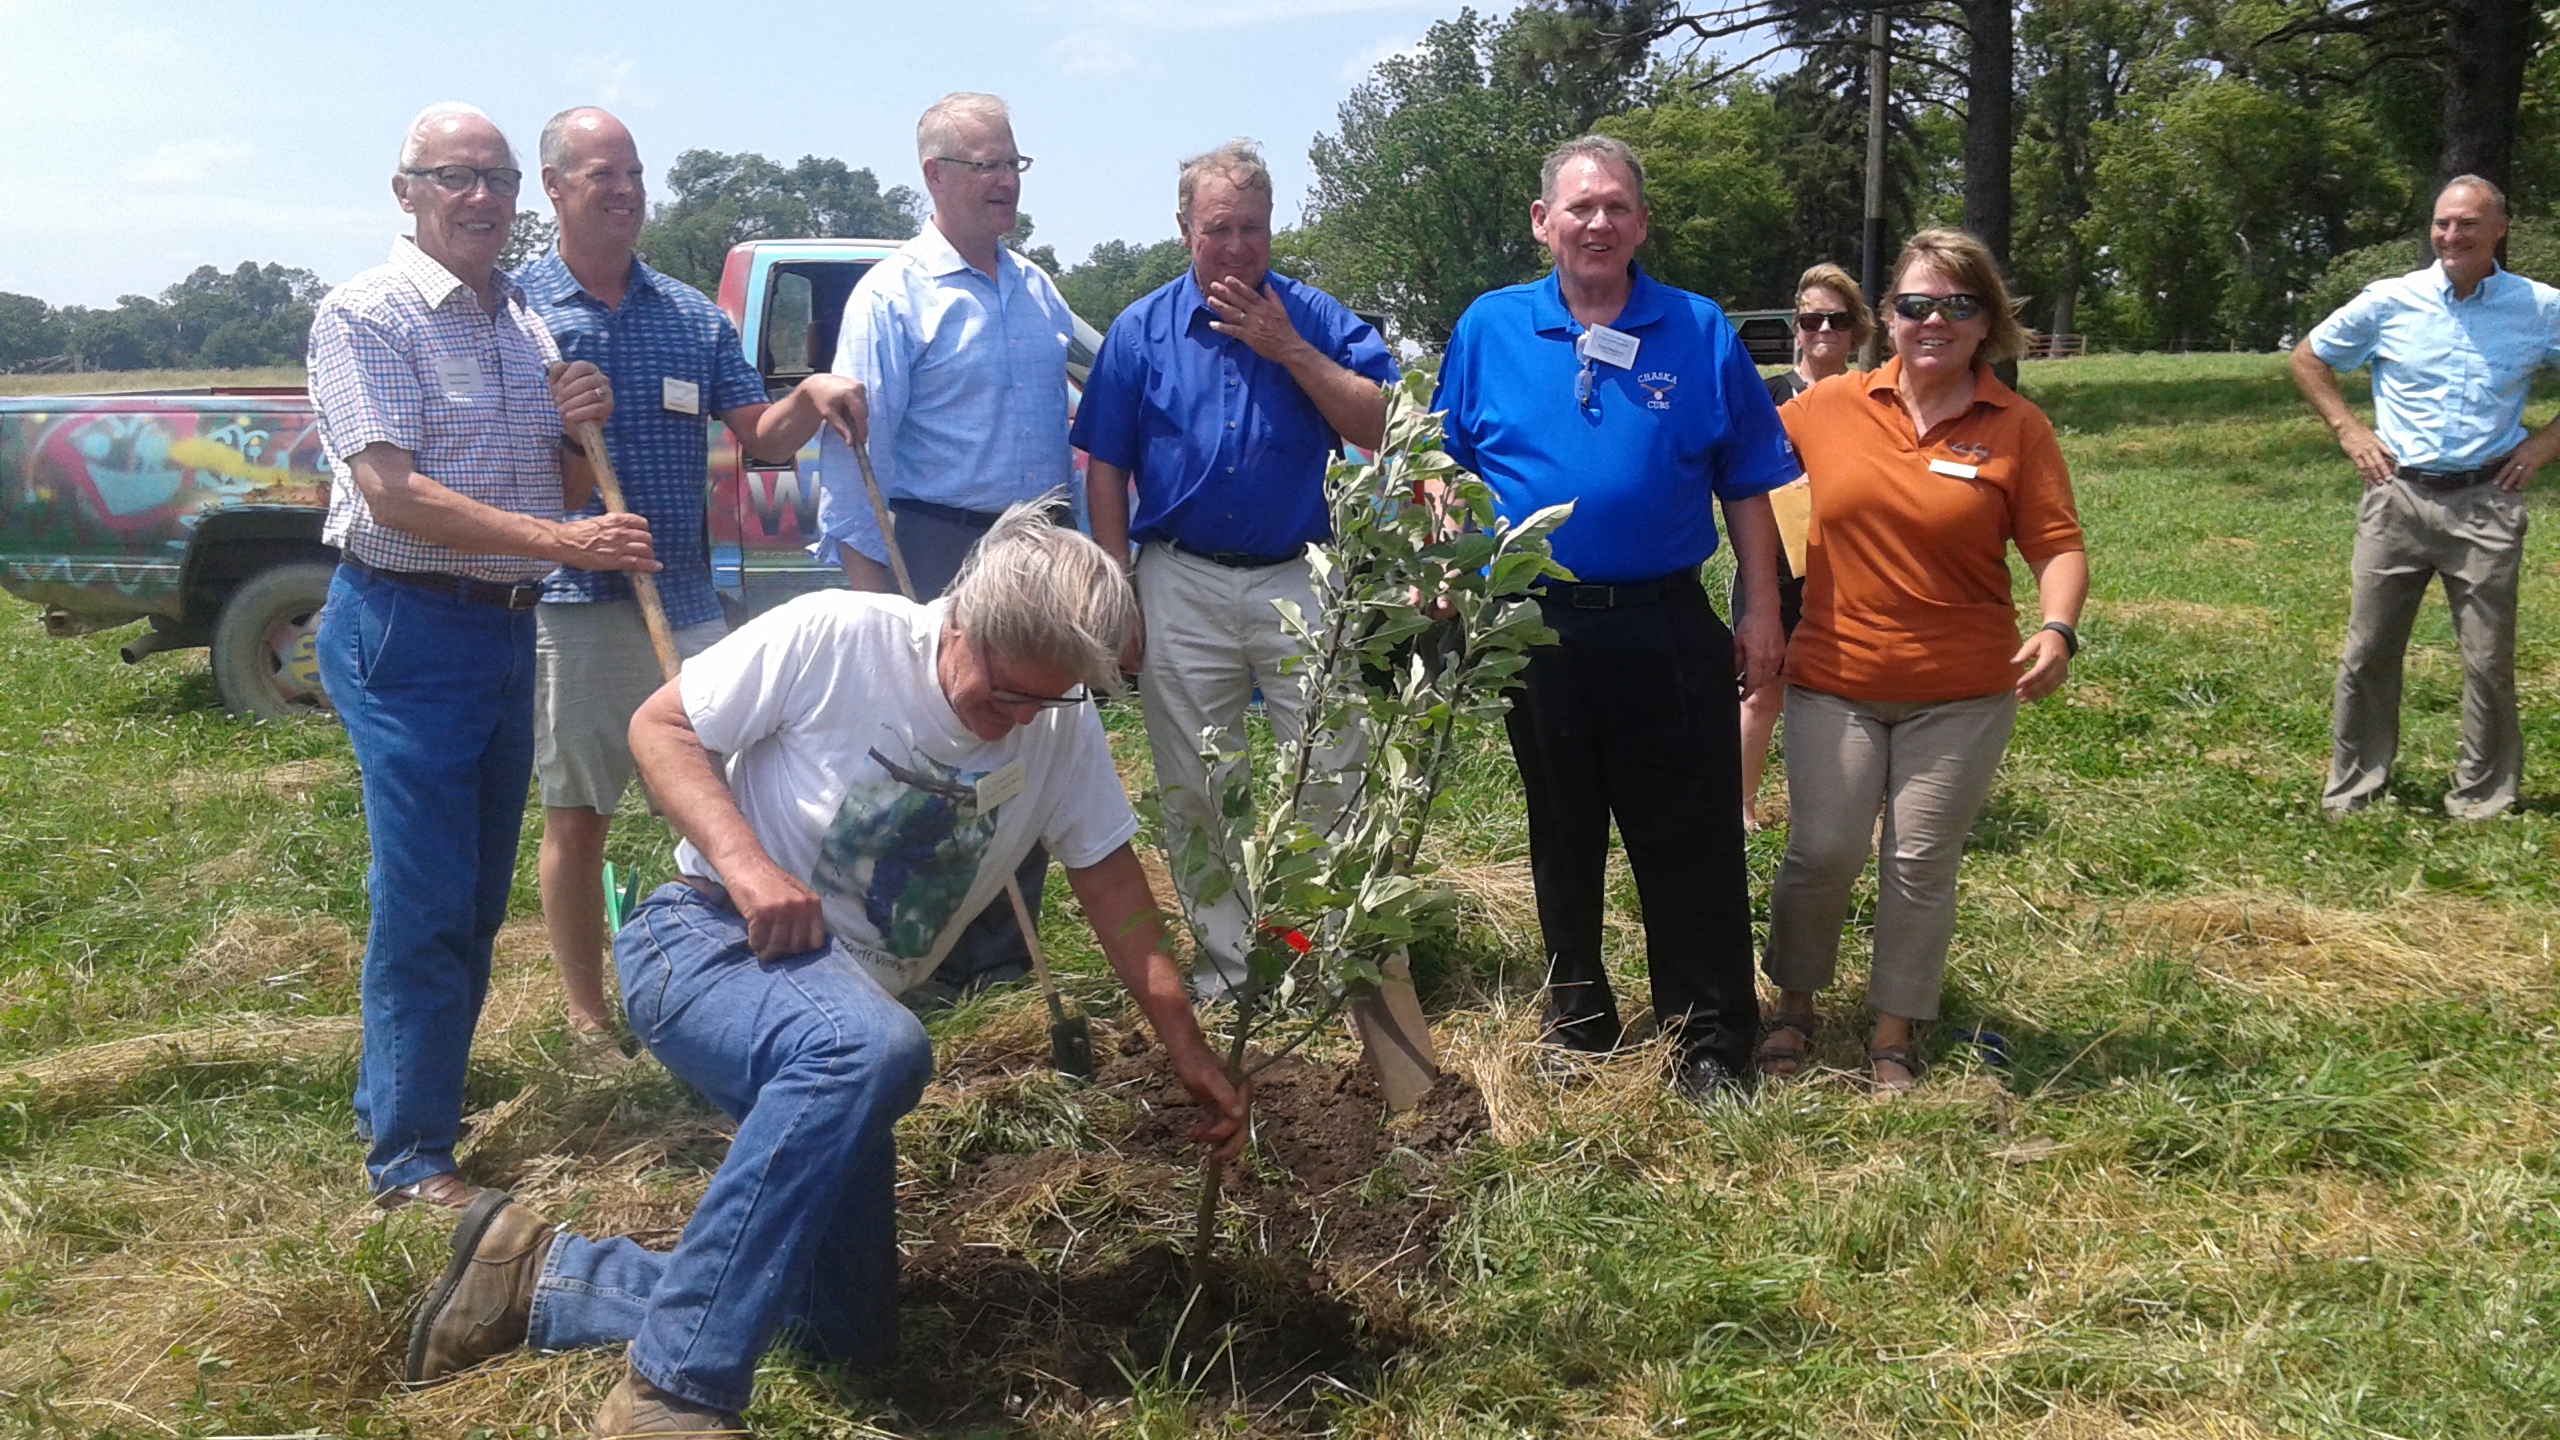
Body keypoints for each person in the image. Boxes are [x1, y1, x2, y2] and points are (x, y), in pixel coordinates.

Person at [400, 506, 1249, 1433]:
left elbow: (1113, 885)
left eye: (1042, 704)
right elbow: (661, 727)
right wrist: (751, 868)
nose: (1013, 724)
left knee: (839, 1330)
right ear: (956, 620)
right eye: (1001, 695)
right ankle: (671, 1393)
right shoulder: (838, 633)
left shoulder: (1054, 721)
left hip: (840, 1024)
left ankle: (539, 1275)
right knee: (879, 1046)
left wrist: (1186, 1044)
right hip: (705, 943)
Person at [308, 103, 655, 1210]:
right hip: (405, 626)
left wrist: (572, 434)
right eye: (456, 177)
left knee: (466, 901)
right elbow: (391, 492)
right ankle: (410, 1164)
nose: (483, 199)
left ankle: (404, 1106)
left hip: (505, 629)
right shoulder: (367, 316)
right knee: (423, 894)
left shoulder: (524, 329)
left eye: (499, 180)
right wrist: (563, 544)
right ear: (405, 191)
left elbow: (546, 488)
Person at [1432, 135, 1796, 1098]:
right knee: (1563, 827)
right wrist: (1446, 548)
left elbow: (1751, 483)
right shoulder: (1490, 329)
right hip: (1535, 627)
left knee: (1692, 832)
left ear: (1641, 223)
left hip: (1665, 620)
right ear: (1543, 222)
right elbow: (1449, 463)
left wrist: (1759, 610)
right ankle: (1578, 1019)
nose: (1599, 223)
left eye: (1618, 208)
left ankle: (1710, 1038)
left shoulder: (1700, 328)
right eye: (1580, 207)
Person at [517, 106, 868, 1065]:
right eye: (600, 175)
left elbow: (759, 436)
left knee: (727, 796)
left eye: (632, 172)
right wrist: (570, 463)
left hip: (689, 605)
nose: (625, 190)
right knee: (580, 812)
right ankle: (590, 1020)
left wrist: (812, 397)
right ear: (554, 187)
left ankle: (734, 975)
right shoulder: (518, 316)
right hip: (580, 604)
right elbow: (505, 483)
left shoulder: (687, 314)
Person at [1756, 229, 2088, 1093]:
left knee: (1918, 861)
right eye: (1914, 304)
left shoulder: (2017, 427)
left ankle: (1894, 1029)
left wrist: (2057, 628)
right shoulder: (1829, 407)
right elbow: (1731, 455)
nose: (1933, 320)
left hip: (1963, 693)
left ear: (1988, 323)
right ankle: (1793, 1005)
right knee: (1822, 849)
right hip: (1833, 680)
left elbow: (2057, 544)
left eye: (1957, 305)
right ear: (1888, 319)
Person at [1072, 138, 1398, 997]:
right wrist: (1117, 592)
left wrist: (1289, 349)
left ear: (1271, 228)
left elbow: (1381, 424)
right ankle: (1227, 968)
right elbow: (1105, 463)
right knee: (1199, 781)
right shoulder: (1140, 332)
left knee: (1330, 768)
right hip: (1178, 578)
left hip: (1300, 575)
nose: (1239, 246)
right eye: (1220, 228)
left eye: (1253, 228)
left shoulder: (1314, 317)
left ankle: (1316, 953)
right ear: (1185, 230)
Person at [813, 91, 1079, 1001]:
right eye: (986, 166)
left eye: (1014, 163)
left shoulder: (1037, 289)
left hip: (1034, 547)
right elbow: (857, 461)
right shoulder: (891, 294)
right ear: (935, 176)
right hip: (936, 546)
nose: (1006, 181)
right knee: (937, 758)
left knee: (1025, 745)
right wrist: (873, 596)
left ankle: (1004, 963)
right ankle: (915, 964)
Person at [2292, 174, 2560, 821]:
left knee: (2489, 660)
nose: (2450, 235)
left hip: (2487, 503)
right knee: (2367, 653)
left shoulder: (2540, 307)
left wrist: (2541, 447)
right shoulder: (2391, 300)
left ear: (2499, 228)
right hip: (2397, 497)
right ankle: (2355, 790)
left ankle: (2483, 797)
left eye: (2467, 223)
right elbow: (2308, 357)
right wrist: (2349, 429)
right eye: (2442, 223)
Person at [1739, 261, 1871, 828]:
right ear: (1795, 326)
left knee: (1848, 697)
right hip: (1774, 568)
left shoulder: (1875, 399)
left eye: (1836, 320)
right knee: (1760, 690)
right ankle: (1739, 805)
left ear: (1856, 329)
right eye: (1811, 318)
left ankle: (1839, 808)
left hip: (1854, 569)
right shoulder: (1765, 396)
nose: (1823, 331)